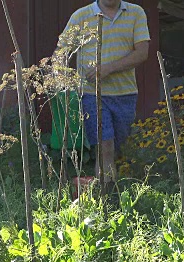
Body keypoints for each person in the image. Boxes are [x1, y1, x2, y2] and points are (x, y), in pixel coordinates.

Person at [60, 0, 150, 190]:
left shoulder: (136, 13)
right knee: (105, 146)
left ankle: (117, 191)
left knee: (119, 148)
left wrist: (108, 69)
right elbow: (61, 51)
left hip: (125, 93)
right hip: (93, 93)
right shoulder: (81, 16)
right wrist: (62, 78)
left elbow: (142, 53)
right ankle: (106, 197)